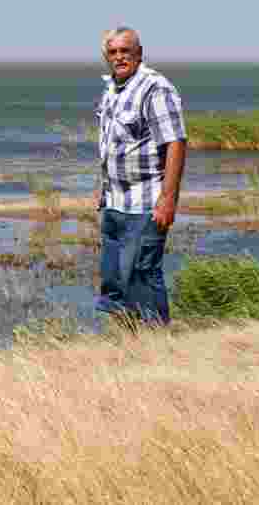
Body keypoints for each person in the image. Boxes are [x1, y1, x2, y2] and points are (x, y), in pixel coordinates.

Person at [93, 26, 187, 328]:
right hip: (114, 203)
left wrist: (168, 199)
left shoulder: (155, 88)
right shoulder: (112, 89)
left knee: (142, 275)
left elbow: (175, 142)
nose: (119, 57)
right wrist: (102, 189)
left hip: (146, 203)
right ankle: (130, 344)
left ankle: (158, 344)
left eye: (125, 51)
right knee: (115, 282)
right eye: (113, 52)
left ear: (139, 54)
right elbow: (110, 143)